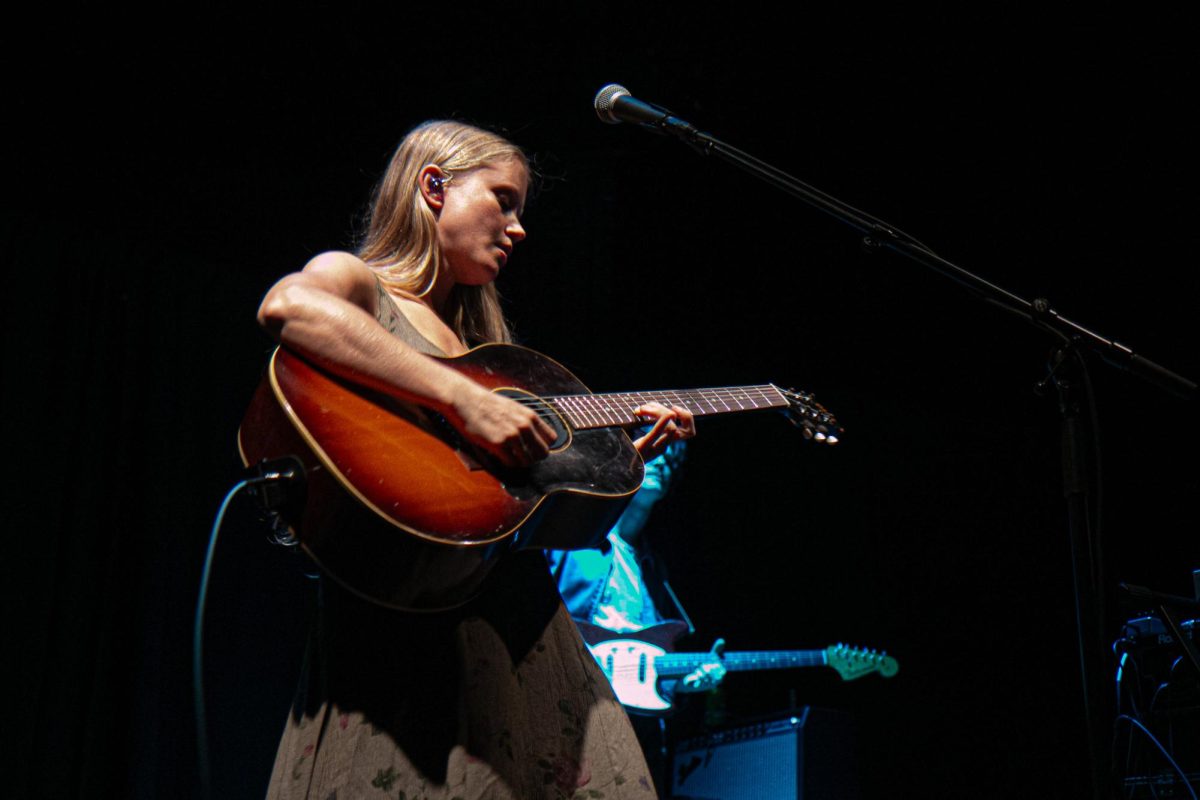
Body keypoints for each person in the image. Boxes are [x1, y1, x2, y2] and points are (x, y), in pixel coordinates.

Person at [253, 120, 695, 800]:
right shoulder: (362, 286)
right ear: (434, 188)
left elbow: (524, 521)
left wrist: (619, 465)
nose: (517, 229)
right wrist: (461, 400)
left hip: (519, 628)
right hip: (406, 623)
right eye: (503, 200)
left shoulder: (487, 351)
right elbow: (288, 306)